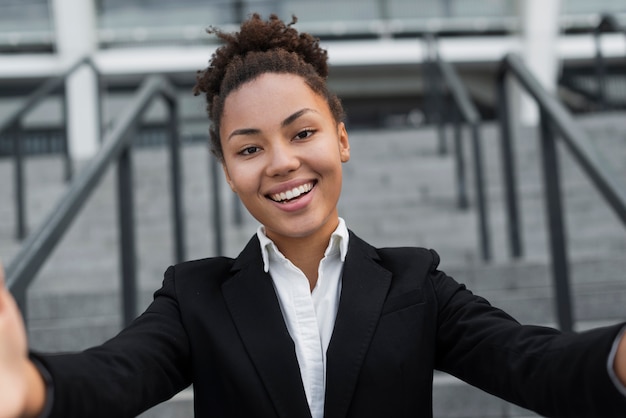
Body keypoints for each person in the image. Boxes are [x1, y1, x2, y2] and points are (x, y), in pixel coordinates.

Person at [1, 14, 626, 418]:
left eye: (302, 134)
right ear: (227, 171)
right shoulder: (195, 296)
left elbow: (532, 361)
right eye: (249, 148)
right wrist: (29, 389)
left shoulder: (415, 283)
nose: (280, 163)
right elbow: (120, 372)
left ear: (342, 139)